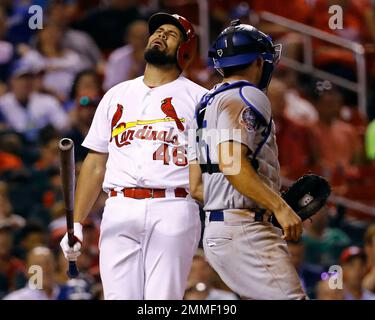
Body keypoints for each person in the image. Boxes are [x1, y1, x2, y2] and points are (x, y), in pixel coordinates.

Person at [60, 12, 207, 300]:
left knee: (161, 301)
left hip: (174, 205)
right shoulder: (117, 94)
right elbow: (95, 163)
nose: (160, 35)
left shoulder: (201, 99)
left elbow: (213, 165)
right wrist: (76, 222)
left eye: (171, 34)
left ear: (185, 51)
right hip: (119, 206)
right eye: (158, 31)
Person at [189, 20, 306, 299]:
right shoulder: (247, 94)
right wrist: (278, 206)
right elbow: (232, 164)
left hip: (219, 233)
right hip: (246, 232)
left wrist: (263, 201)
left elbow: (196, 186)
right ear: (257, 61)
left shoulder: (203, 105)